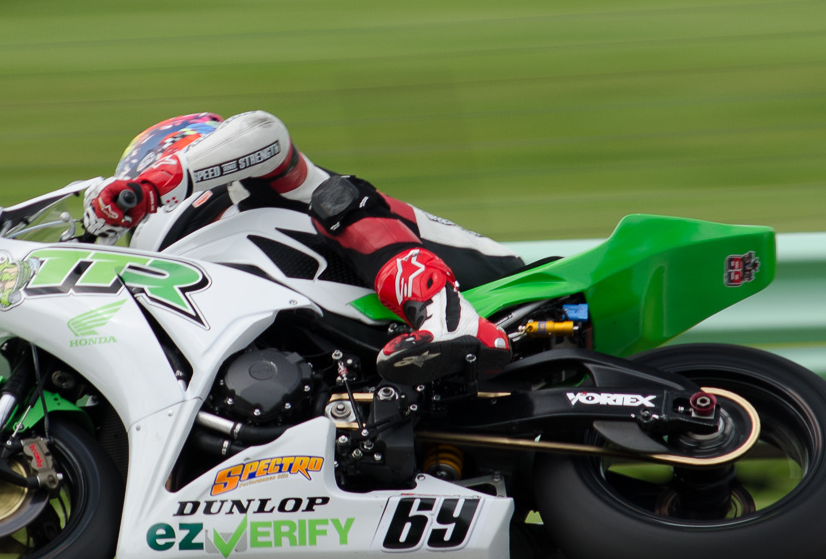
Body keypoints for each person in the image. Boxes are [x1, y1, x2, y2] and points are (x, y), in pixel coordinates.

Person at [83, 110, 521, 382]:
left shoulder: (239, 185)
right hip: (369, 349)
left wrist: (144, 187)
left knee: (334, 197)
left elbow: (261, 131)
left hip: (491, 281)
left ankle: (449, 317)